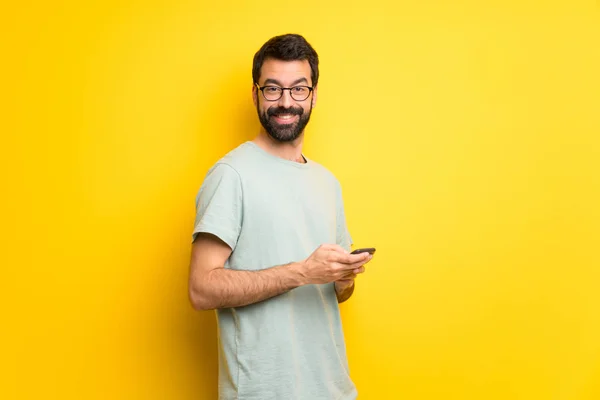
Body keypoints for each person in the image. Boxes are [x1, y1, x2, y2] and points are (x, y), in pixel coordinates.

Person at [188, 33, 373, 400]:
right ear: (255, 95)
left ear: (314, 95)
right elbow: (201, 288)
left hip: (333, 390)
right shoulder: (231, 174)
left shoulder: (327, 182)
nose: (285, 102)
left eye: (298, 89)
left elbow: (336, 294)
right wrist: (303, 271)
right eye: (273, 89)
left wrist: (343, 278)